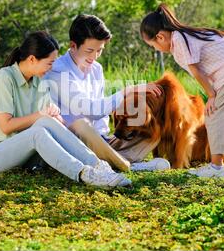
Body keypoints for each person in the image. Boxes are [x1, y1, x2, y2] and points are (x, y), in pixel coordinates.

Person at [0, 31, 131, 188]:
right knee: (38, 130)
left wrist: (56, 118)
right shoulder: (5, 78)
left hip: (23, 155)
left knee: (46, 122)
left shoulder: (38, 82)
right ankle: (85, 174)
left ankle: (98, 166)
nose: (51, 68)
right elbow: (6, 126)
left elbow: (51, 122)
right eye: (49, 63)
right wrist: (41, 114)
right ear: (32, 59)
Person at [140, 4, 224, 179]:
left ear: (160, 37)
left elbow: (197, 72)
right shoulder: (183, 35)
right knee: (219, 115)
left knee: (215, 115)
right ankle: (217, 166)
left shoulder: (179, 41)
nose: (155, 49)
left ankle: (217, 169)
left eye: (152, 45)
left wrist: (212, 95)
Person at [44, 15, 171, 172]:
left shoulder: (96, 69)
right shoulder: (58, 70)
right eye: (89, 50)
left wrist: (105, 139)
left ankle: (112, 158)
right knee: (81, 125)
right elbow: (89, 109)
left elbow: (101, 113)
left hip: (98, 141)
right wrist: (129, 90)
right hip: (73, 140)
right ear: (73, 45)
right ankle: (128, 165)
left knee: (150, 130)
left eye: (100, 50)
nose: (94, 56)